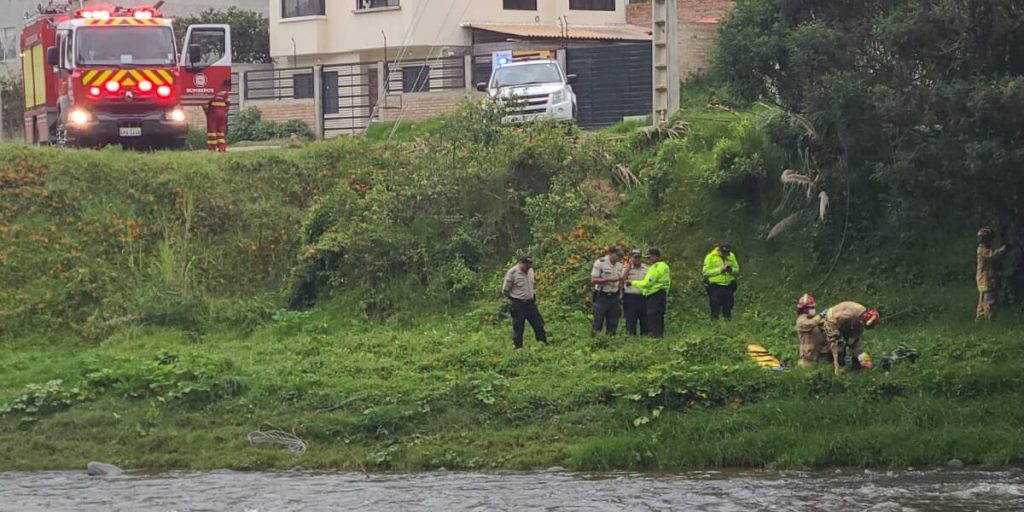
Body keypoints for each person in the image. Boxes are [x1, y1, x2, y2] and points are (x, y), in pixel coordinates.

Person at [816, 301, 881, 375]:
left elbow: (856, 332)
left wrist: (851, 342)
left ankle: (857, 366)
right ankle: (828, 366)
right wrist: (836, 338)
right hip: (830, 321)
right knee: (836, 346)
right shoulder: (847, 315)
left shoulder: (861, 316)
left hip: (847, 323)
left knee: (855, 344)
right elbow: (831, 322)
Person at [502, 255, 547, 349]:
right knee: (519, 327)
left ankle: (543, 344)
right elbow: (505, 290)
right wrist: (514, 300)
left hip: (530, 303)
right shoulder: (512, 273)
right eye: (526, 266)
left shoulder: (530, 271)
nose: (528, 268)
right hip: (518, 304)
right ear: (520, 263)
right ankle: (518, 348)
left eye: (529, 266)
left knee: (539, 324)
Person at [631, 248, 671, 338]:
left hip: (654, 295)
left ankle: (654, 337)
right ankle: (659, 336)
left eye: (649, 257)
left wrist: (633, 282)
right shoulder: (665, 266)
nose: (648, 260)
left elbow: (648, 283)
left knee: (652, 316)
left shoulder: (655, 267)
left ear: (655, 256)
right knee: (659, 317)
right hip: (662, 294)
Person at [590, 245, 624, 336]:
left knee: (613, 321)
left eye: (620, 256)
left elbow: (620, 280)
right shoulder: (600, 263)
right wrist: (608, 280)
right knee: (598, 320)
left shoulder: (620, 265)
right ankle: (594, 341)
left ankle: (610, 341)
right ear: (610, 253)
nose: (619, 258)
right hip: (602, 295)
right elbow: (593, 280)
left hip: (614, 296)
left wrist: (621, 293)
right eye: (617, 255)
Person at [976, 227, 1008, 321]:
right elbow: (993, 256)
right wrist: (1003, 250)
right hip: (987, 279)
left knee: (982, 300)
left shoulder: (981, 249)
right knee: (990, 301)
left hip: (982, 279)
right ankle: (988, 320)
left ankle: (979, 320)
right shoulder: (983, 250)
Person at [702, 242, 740, 320]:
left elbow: (737, 269)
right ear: (719, 250)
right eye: (723, 252)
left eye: (727, 253)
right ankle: (715, 324)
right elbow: (705, 272)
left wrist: (731, 270)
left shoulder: (731, 256)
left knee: (728, 307)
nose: (725, 255)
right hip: (715, 286)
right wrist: (720, 270)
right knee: (715, 307)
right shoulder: (710, 257)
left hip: (728, 286)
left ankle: (727, 324)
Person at [794, 293, 829, 368]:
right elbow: (810, 324)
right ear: (805, 309)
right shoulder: (801, 321)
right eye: (811, 308)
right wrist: (821, 315)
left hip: (819, 357)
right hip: (807, 360)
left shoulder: (815, 319)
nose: (813, 310)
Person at [621, 249, 649, 336]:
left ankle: (644, 337)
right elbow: (621, 280)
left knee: (644, 320)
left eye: (638, 257)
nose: (637, 260)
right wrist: (628, 267)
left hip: (643, 297)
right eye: (635, 257)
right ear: (631, 258)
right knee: (630, 320)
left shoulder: (646, 268)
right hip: (630, 297)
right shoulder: (626, 268)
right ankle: (630, 338)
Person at [203, 78, 230, 153]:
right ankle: (222, 148)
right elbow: (228, 103)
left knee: (212, 131)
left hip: (213, 112)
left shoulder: (210, 92)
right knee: (221, 131)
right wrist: (225, 113)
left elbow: (205, 104)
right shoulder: (225, 92)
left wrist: (206, 112)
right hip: (222, 113)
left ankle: (212, 149)